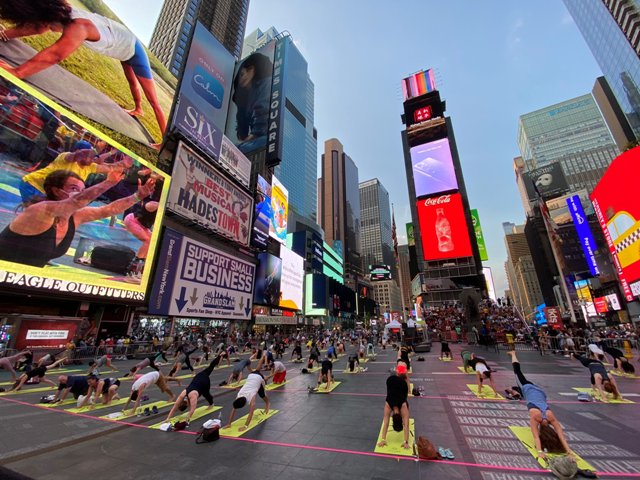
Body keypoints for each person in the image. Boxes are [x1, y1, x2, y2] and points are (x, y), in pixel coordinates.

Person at [0, 0, 167, 146]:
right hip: (121, 42)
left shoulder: (78, 26)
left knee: (152, 100)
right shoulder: (60, 14)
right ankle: (138, 109)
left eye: (47, 25)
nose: (48, 28)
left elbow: (55, 55)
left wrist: (17, 72)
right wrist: (5, 34)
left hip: (133, 49)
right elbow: (37, 27)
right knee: (131, 81)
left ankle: (163, 141)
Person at [0, 169, 155, 268]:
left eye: (83, 189)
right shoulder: (40, 210)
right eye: (74, 189)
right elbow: (76, 200)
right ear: (56, 191)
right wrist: (108, 182)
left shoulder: (76, 216)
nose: (81, 193)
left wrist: (137, 196)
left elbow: (108, 209)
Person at [505, 351, 574, 460]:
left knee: (519, 390)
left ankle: (514, 390)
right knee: (517, 371)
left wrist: (569, 451)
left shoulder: (550, 416)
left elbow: (561, 435)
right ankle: (513, 354)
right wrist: (540, 451)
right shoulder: (535, 417)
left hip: (540, 392)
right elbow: (536, 437)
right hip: (527, 387)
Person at [18, 145, 131, 203]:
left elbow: (109, 167)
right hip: (32, 184)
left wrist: (123, 164)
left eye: (92, 156)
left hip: (49, 191)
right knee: (35, 213)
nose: (91, 158)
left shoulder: (90, 167)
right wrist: (94, 151)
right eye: (88, 154)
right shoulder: (65, 157)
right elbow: (75, 156)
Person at [230, 52, 273, 154]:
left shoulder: (267, 83)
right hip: (256, 141)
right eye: (240, 74)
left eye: (249, 69)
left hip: (266, 139)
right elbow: (243, 132)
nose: (243, 75)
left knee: (234, 150)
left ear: (254, 70)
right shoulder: (245, 99)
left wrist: (252, 137)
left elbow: (263, 112)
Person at [164, 358, 218, 425]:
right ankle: (219, 356)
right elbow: (175, 406)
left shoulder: (193, 396)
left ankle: (211, 404)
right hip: (198, 376)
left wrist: (187, 419)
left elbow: (192, 409)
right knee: (210, 367)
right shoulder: (182, 394)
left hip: (204, 382)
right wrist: (167, 419)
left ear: (187, 404)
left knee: (206, 394)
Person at [377, 370, 410, 450]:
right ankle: (400, 373)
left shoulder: (390, 405)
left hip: (391, 381)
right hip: (392, 382)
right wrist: (405, 442)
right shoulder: (402, 405)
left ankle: (398, 373)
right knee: (405, 394)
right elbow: (406, 425)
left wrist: (383, 440)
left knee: (405, 392)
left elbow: (386, 424)